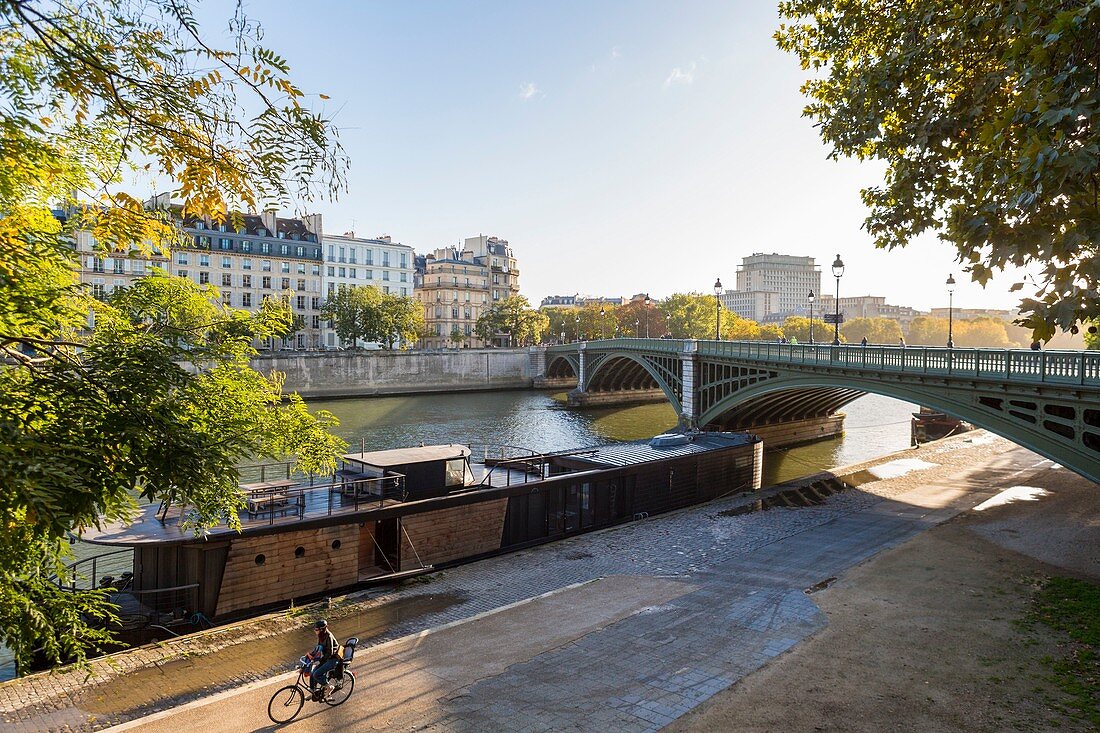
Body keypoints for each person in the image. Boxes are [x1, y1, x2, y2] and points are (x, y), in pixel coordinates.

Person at [306, 619, 340, 701]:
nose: (315, 631)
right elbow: (318, 648)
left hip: (332, 659)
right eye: (315, 629)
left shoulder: (328, 636)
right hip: (325, 658)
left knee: (316, 674)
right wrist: (311, 655)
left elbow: (330, 653)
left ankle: (329, 687)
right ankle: (313, 692)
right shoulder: (321, 636)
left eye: (316, 629)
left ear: (322, 629)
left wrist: (320, 661)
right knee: (312, 672)